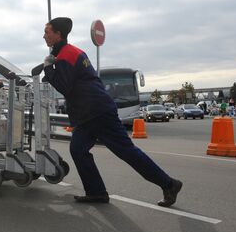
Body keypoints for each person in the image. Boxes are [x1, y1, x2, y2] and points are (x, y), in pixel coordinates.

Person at [42, 17, 182, 207]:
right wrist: (52, 67)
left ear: (58, 34)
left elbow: (65, 86)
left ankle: (169, 184)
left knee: (126, 151)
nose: (44, 36)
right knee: (78, 149)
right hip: (87, 114)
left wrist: (49, 69)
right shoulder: (72, 52)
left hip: (97, 111)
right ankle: (96, 192)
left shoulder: (67, 55)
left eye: (47, 32)